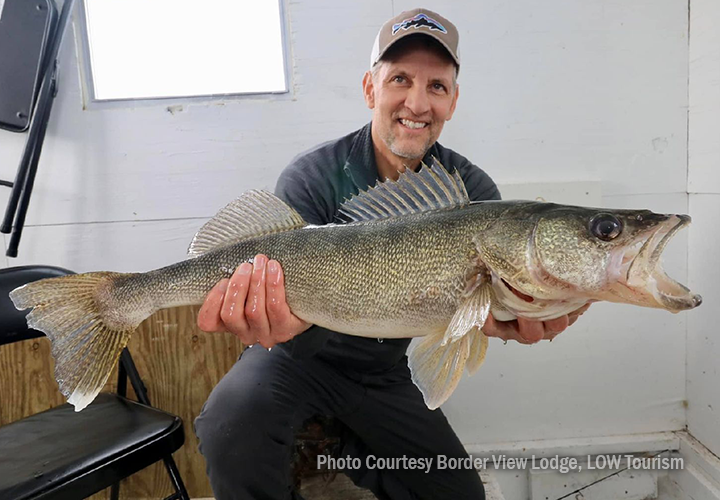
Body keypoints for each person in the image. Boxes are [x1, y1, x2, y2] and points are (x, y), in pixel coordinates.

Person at [194, 8, 589, 500]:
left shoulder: (473, 193)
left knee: (460, 495)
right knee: (231, 423)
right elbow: (280, 296)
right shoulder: (313, 175)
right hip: (292, 356)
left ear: (453, 100)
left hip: (385, 372)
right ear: (370, 89)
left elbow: (477, 313)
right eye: (400, 79)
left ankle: (351, 446)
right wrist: (276, 320)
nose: (417, 103)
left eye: (437, 86)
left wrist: (506, 318)